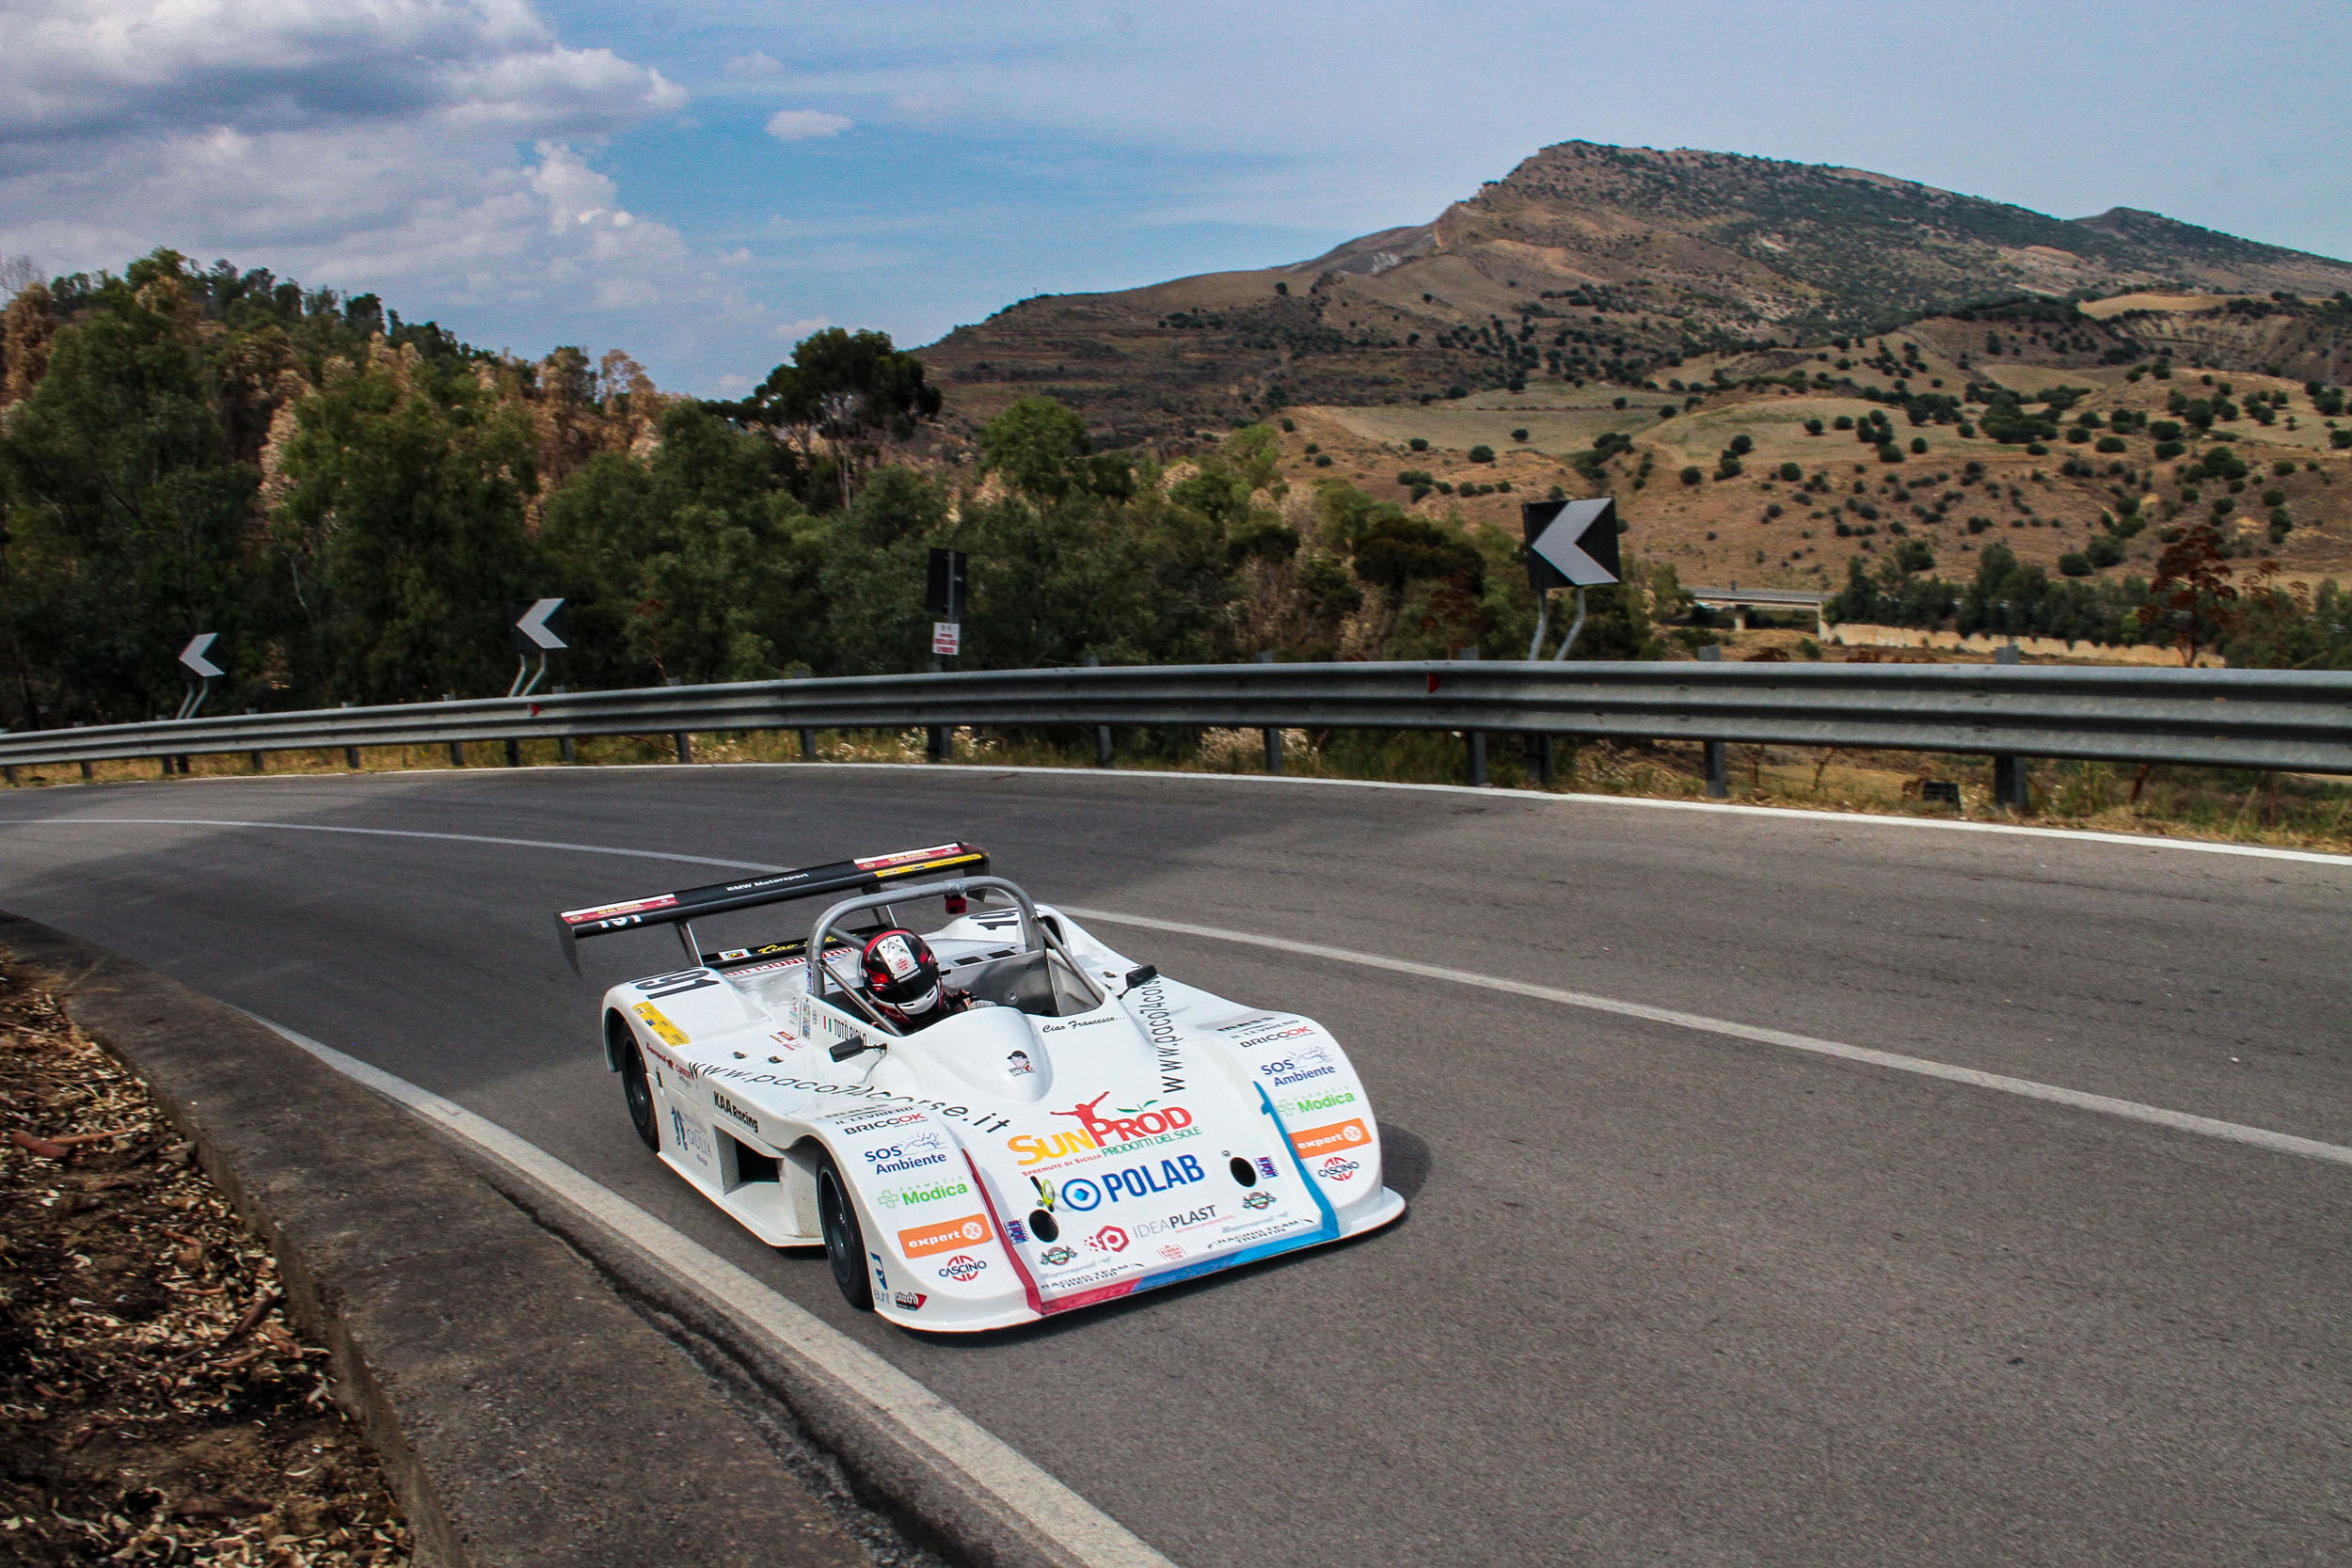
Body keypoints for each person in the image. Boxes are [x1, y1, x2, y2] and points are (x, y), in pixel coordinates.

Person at [858, 928, 973, 1032]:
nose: (916, 995)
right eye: (900, 992)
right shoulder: (874, 1031)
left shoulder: (965, 1002)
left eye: (921, 982)